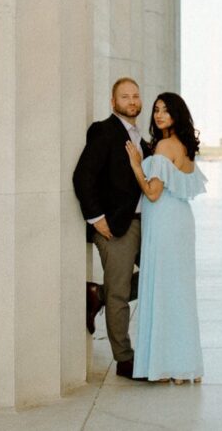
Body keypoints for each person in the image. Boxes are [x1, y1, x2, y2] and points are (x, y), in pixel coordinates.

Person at [126, 92, 207, 384]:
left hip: (164, 224)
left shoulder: (163, 146)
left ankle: (162, 366)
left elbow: (152, 192)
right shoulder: (185, 146)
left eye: (166, 111)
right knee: (179, 292)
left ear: (177, 115)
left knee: (162, 290)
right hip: (181, 222)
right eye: (157, 110)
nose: (159, 115)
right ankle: (185, 366)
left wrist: (137, 164)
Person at [72, 77, 150, 379]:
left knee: (160, 275)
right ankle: (125, 360)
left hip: (145, 224)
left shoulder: (142, 139)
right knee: (120, 294)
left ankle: (98, 294)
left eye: (135, 96)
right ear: (113, 102)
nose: (131, 101)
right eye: (125, 96)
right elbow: (83, 176)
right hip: (117, 227)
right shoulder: (105, 132)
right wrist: (96, 218)